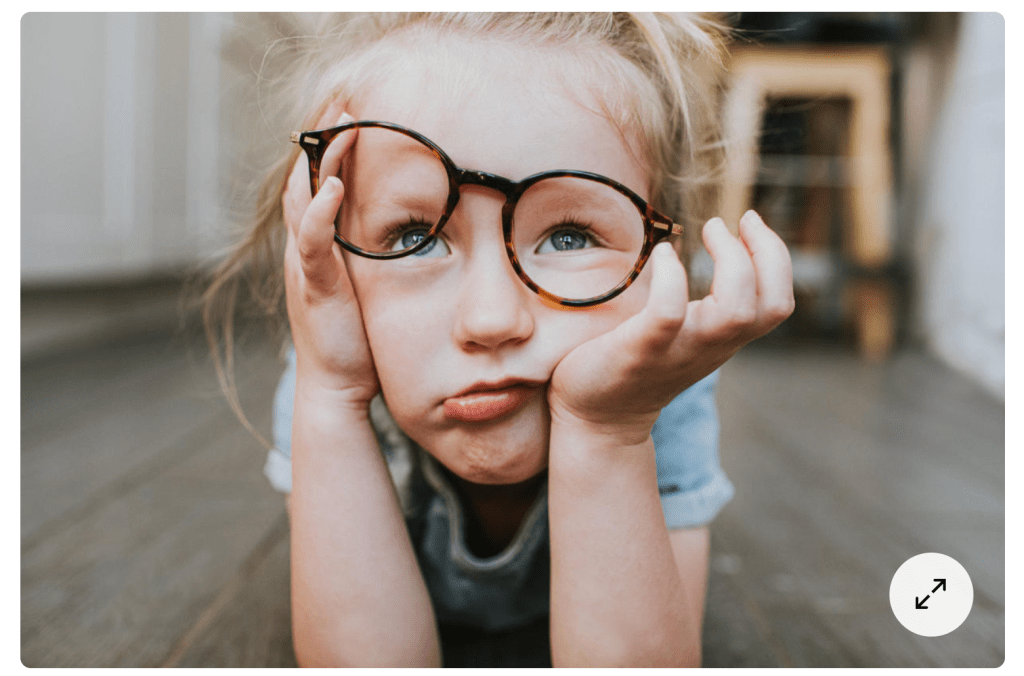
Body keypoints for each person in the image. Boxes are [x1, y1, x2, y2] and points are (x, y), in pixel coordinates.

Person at [204, 12, 794, 667]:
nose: (490, 320)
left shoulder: (658, 389)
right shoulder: (332, 377)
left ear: (663, 264)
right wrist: (332, 394)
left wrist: (606, 434)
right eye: (414, 237)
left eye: (568, 237)